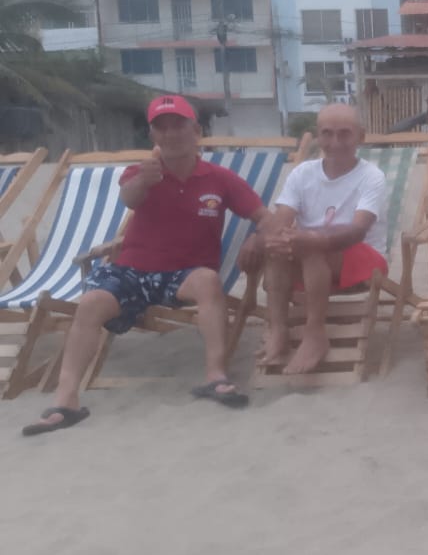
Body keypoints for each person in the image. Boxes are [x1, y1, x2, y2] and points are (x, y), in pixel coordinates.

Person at [23, 95, 269, 436]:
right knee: (91, 303)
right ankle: (66, 402)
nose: (170, 134)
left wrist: (257, 238)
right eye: (161, 128)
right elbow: (129, 198)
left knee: (208, 282)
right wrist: (144, 180)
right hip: (133, 271)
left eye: (178, 125)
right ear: (152, 135)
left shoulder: (220, 179)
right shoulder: (138, 173)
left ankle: (216, 376)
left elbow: (265, 217)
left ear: (196, 131)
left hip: (186, 274)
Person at [244, 103, 388, 375]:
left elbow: (358, 231)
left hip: (364, 256)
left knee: (308, 245)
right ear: (318, 136)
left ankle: (314, 333)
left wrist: (309, 239)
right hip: (311, 258)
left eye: (344, 133)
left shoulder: (372, 177)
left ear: (361, 136)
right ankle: (278, 328)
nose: (335, 142)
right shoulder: (302, 173)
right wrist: (263, 239)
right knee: (279, 246)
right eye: (327, 133)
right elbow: (281, 220)